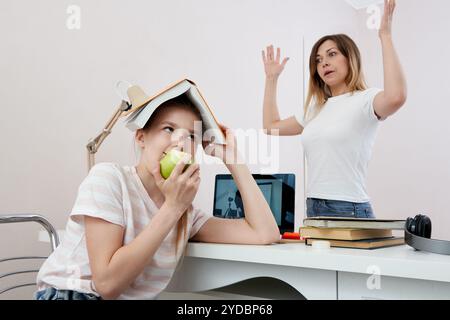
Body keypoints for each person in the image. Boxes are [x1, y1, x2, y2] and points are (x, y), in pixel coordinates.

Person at [35, 95, 280, 300]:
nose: (179, 142)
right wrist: (172, 208)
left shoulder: (185, 213)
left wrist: (234, 160)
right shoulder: (108, 178)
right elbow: (107, 284)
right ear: (141, 137)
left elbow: (265, 233)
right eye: (169, 129)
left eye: (191, 136)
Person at [261, 0, 406, 219]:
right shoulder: (316, 109)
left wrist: (385, 36)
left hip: (349, 208)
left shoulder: (365, 100)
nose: (324, 63)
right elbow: (271, 127)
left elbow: (396, 97)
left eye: (332, 54)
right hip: (314, 207)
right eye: (318, 60)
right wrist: (271, 79)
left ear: (350, 58)